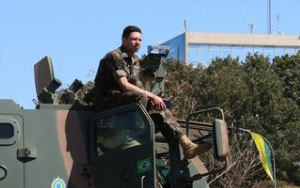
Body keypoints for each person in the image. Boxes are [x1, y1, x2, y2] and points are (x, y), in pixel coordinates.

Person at [90, 25, 210, 159]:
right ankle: (130, 137)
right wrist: (151, 95)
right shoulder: (114, 56)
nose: (138, 43)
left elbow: (137, 84)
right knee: (141, 96)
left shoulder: (134, 60)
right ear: (124, 40)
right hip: (104, 101)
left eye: (140, 40)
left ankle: (186, 144)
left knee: (158, 106)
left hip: (122, 100)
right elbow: (124, 85)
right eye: (134, 39)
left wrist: (154, 100)